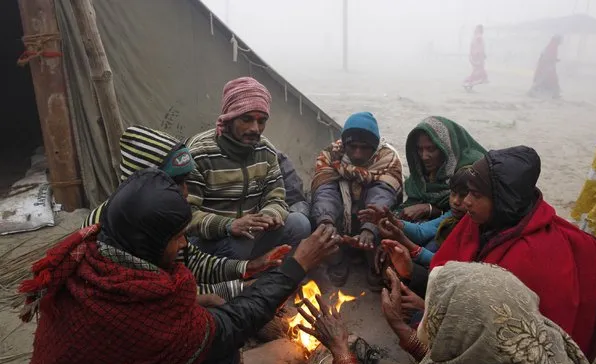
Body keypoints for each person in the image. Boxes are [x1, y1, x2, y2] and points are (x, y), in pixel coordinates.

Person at [19, 168, 341, 364]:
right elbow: (233, 324)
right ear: (149, 243)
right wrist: (296, 265)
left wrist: (207, 294)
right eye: (177, 237)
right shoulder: (149, 309)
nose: (185, 242)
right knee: (223, 358)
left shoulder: (89, 258)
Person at [296, 262, 596, 364]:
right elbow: (470, 361)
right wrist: (404, 332)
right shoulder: (550, 340)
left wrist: (342, 355)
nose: (427, 313)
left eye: (434, 312)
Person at [431, 145, 596, 362]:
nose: (465, 202)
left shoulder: (529, 255)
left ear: (502, 200)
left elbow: (505, 338)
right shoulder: (481, 220)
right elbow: (445, 265)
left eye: (475, 194)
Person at [82, 125, 287, 301]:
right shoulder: (106, 237)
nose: (186, 191)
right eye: (176, 182)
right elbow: (168, 297)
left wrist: (249, 267)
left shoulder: (156, 218)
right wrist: (239, 289)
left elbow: (191, 261)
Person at [186, 76, 311, 260]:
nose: (255, 128)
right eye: (247, 119)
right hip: (208, 242)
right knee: (239, 243)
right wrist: (229, 225)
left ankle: (272, 276)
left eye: (262, 121)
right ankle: (230, 284)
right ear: (229, 118)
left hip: (249, 233)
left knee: (300, 224)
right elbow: (185, 215)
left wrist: (270, 215)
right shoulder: (199, 153)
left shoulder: (265, 150)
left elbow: (276, 198)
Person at [311, 112, 403, 287]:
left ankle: (375, 264)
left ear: (374, 147)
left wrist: (370, 227)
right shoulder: (330, 156)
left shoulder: (388, 159)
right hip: (341, 220)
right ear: (345, 144)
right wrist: (326, 221)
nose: (358, 154)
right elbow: (325, 191)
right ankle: (338, 260)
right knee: (320, 214)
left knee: (384, 216)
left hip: (370, 222)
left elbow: (383, 194)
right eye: (352, 147)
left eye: (364, 147)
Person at [399, 116, 485, 221]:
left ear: (446, 148)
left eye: (430, 149)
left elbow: (470, 213)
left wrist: (430, 209)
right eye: (419, 149)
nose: (424, 156)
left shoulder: (473, 172)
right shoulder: (421, 176)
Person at [463, 24, 489, 92]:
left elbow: (474, 47)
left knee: (477, 70)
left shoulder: (475, 37)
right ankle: (469, 82)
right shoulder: (478, 37)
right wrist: (480, 55)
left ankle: (470, 82)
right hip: (477, 57)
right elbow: (479, 48)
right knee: (478, 71)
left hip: (474, 56)